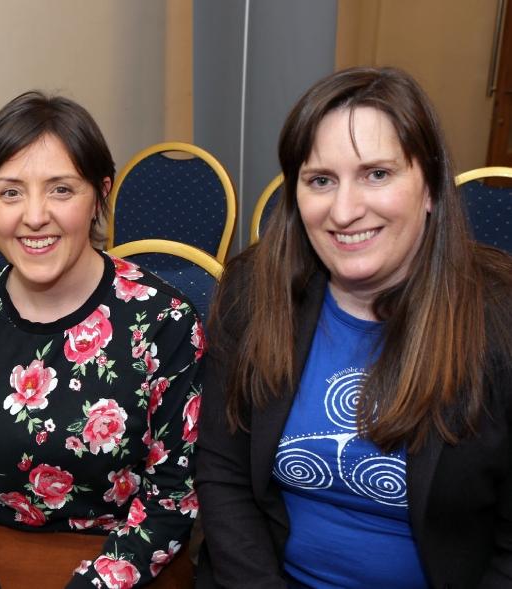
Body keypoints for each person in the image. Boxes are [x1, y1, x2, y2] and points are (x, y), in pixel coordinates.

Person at [195, 66, 512, 588]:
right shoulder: (253, 293)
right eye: (321, 180)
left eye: (377, 174)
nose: (344, 211)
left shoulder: (498, 321)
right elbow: (222, 472)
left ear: (431, 188)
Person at [0, 91, 204, 588]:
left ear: (100, 194)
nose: (34, 216)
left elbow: (171, 499)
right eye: (10, 193)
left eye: (61, 190)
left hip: (130, 564)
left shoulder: (164, 321)